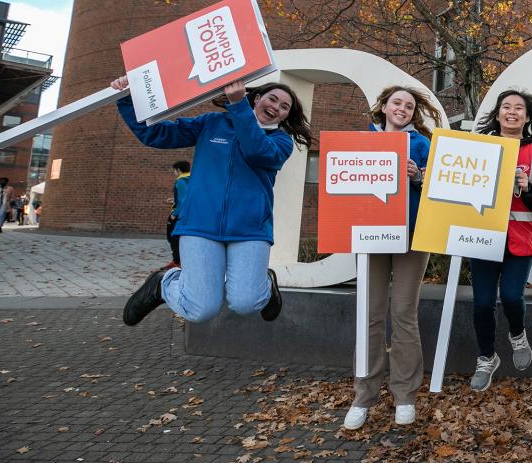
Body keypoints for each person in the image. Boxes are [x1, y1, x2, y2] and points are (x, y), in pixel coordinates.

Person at [113, 75, 311, 327]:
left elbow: (256, 150)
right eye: (273, 98)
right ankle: (163, 284)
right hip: (200, 225)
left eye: (285, 107)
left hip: (249, 230)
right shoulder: (213, 123)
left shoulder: (280, 142)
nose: (277, 107)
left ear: (285, 117)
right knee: (201, 309)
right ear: (258, 98)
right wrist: (127, 100)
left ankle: (266, 284)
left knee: (245, 303)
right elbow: (157, 135)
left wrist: (239, 107)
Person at [343, 85, 444, 430]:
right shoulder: (360, 140)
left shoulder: (423, 144)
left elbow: (439, 191)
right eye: (396, 102)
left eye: (409, 105)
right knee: (369, 314)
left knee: (403, 314)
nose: (402, 108)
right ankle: (363, 394)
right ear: (384, 106)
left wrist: (418, 178)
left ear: (414, 113)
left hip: (412, 235)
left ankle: (404, 395)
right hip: (370, 234)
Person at [468, 90, 532, 392]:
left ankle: (517, 335)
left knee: (511, 296)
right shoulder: (477, 147)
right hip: (482, 236)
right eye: (506, 107)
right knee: (481, 303)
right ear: (497, 114)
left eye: (519, 108)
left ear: (528, 116)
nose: (512, 112)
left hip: (520, 237)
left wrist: (528, 188)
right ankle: (486, 357)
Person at [166, 160, 192, 267]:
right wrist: (174, 200)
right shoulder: (192, 178)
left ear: (178, 170)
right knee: (179, 238)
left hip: (179, 214)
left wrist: (175, 213)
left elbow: (183, 200)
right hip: (189, 214)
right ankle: (179, 260)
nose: (174, 173)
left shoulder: (181, 181)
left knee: (172, 237)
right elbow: (189, 196)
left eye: (174, 170)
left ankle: (177, 261)